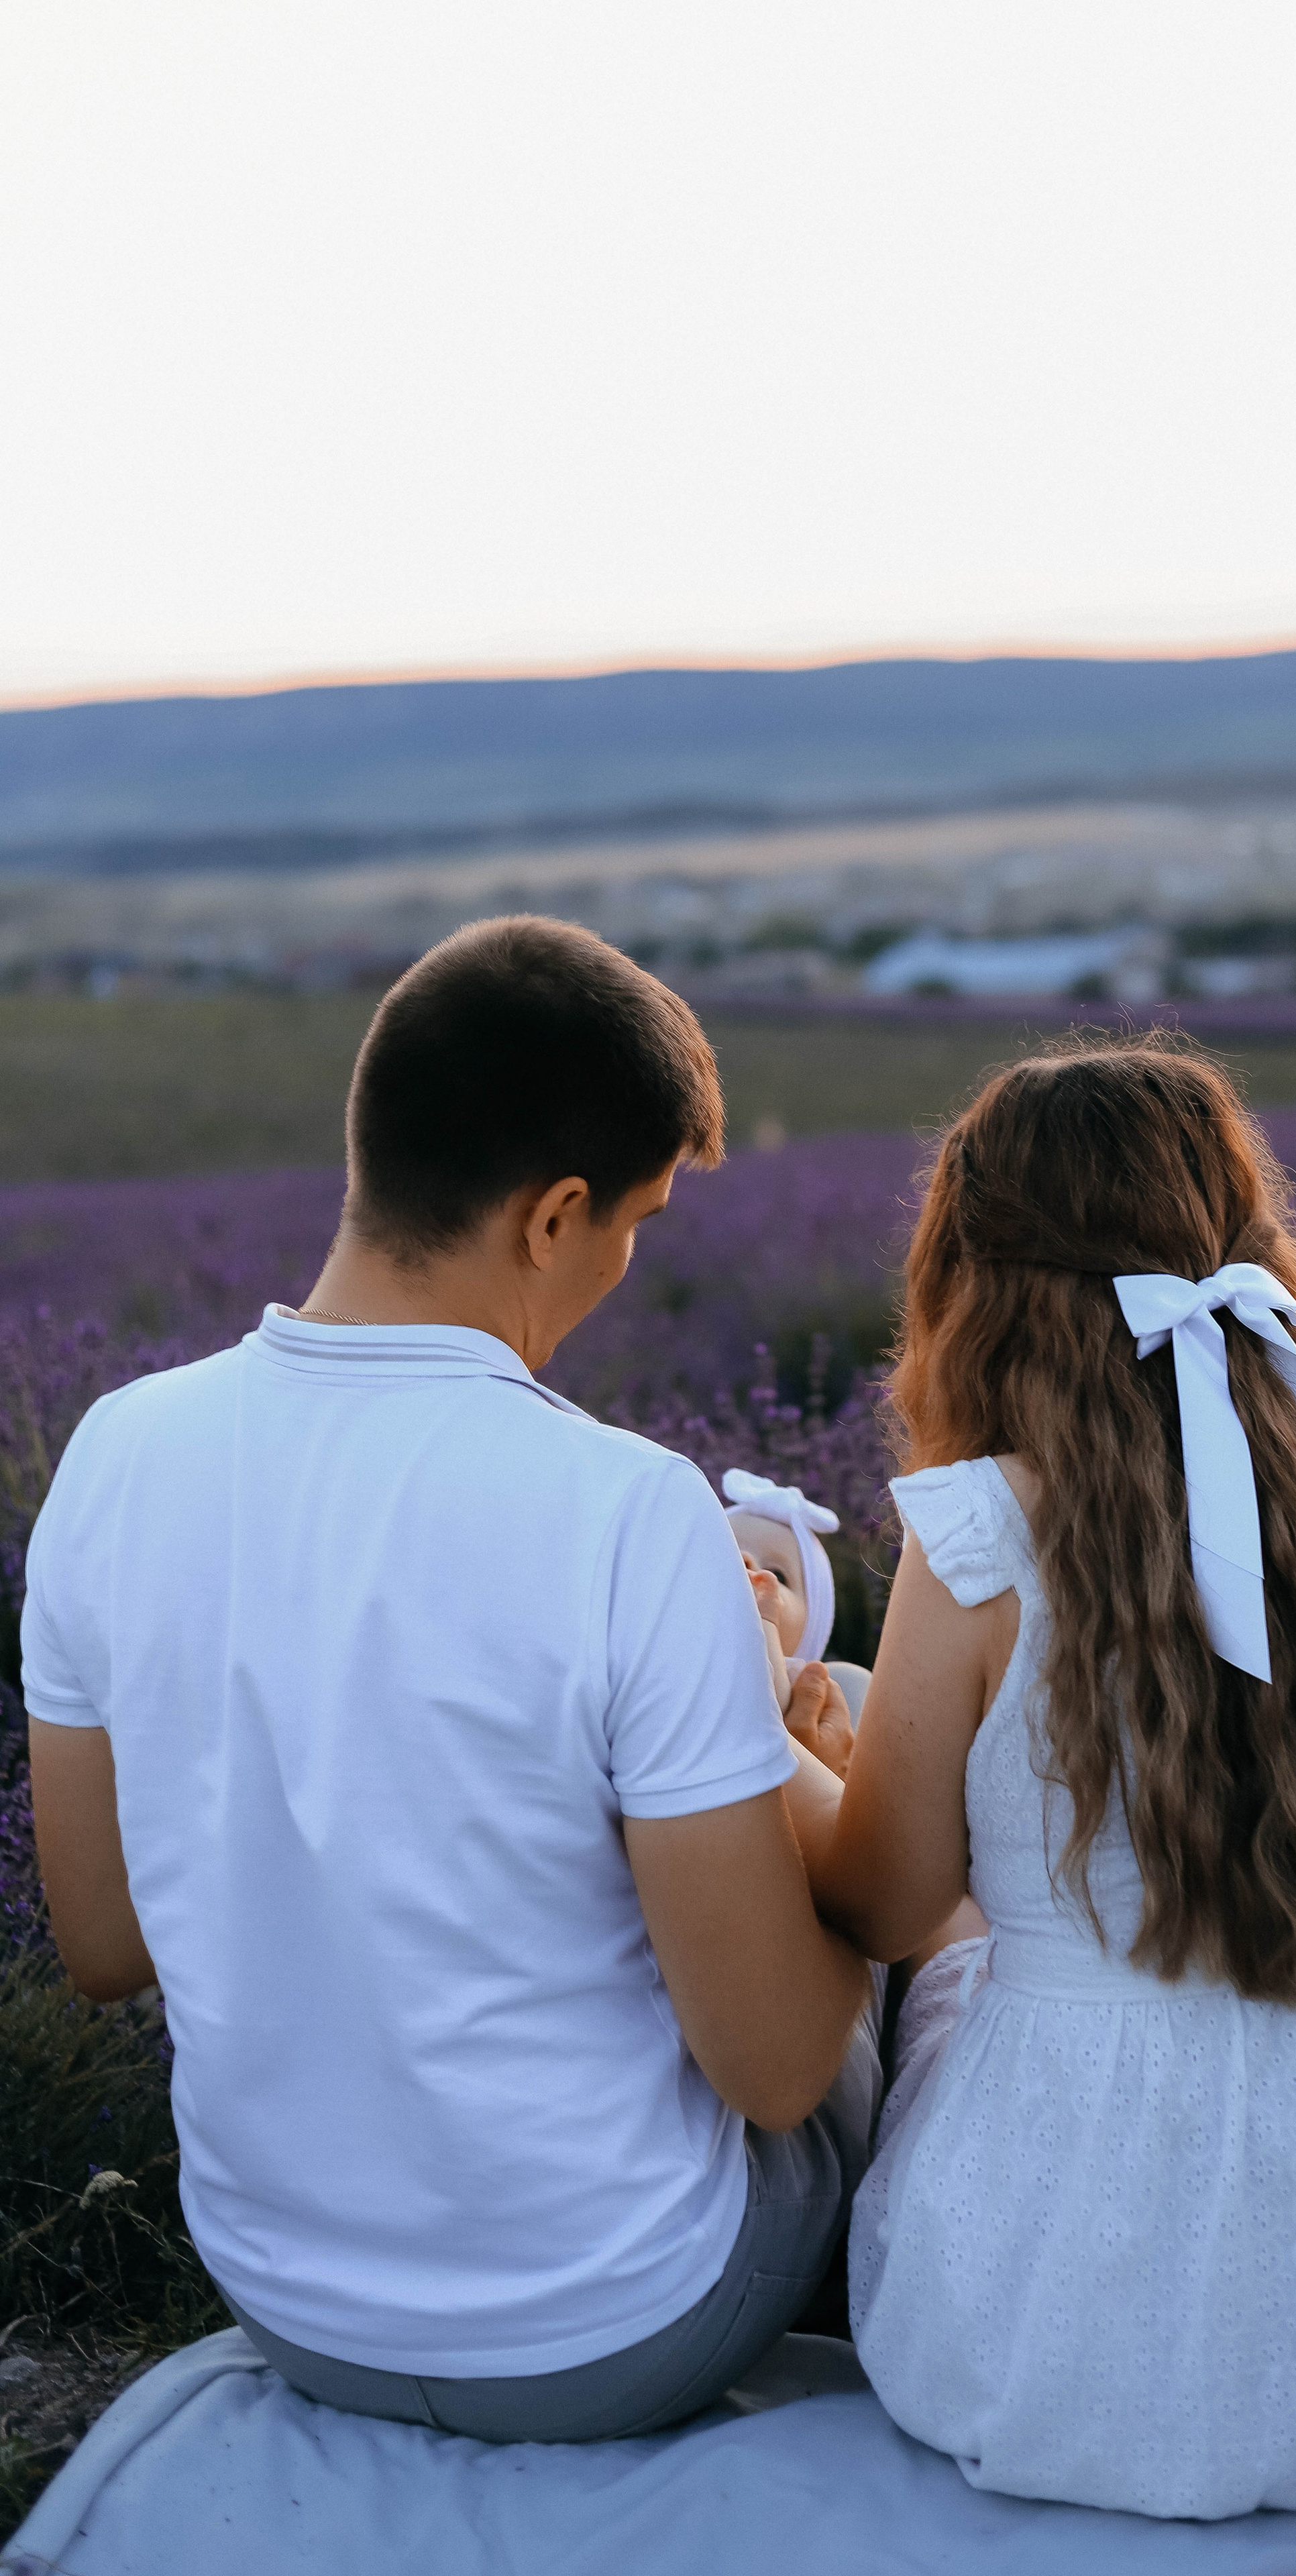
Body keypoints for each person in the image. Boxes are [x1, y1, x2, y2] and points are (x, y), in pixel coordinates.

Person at [23, 916, 875, 2445]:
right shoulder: (628, 1510)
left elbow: (98, 1936)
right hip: (627, 2320)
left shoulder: (112, 1453)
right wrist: (824, 1829)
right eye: (641, 1217)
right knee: (883, 1817)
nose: (628, 1261)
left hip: (286, 2303)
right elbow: (772, 2064)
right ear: (554, 1214)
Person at [797, 1038, 1296, 2520]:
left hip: (1084, 2318)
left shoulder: (982, 1537)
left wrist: (806, 1764)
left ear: (970, 1277)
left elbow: (887, 1898)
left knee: (972, 1942)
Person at [722, 1468, 873, 1727]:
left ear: (810, 1630)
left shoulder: (806, 1687)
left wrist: (765, 1627)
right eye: (725, 1551)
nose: (745, 1562)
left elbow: (769, 1716)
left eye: (779, 1576)